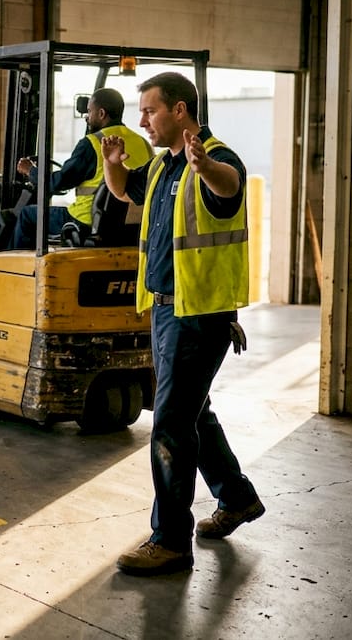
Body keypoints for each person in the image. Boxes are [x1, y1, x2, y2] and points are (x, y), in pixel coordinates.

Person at [100, 71, 263, 577]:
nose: (142, 120)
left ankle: (170, 541)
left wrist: (205, 164)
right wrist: (111, 169)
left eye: (149, 110)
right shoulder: (160, 168)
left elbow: (228, 187)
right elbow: (128, 195)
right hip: (168, 308)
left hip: (200, 313)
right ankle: (236, 498)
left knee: (170, 424)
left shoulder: (216, 158)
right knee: (192, 412)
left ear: (180, 110)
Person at [9, 88, 151, 249]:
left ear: (101, 113)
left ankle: (12, 270)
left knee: (27, 214)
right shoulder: (143, 143)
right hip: (131, 229)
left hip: (86, 221)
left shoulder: (94, 143)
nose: (86, 118)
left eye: (90, 112)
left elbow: (57, 183)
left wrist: (31, 171)